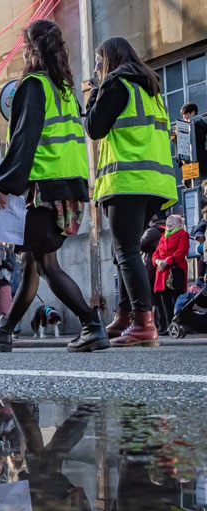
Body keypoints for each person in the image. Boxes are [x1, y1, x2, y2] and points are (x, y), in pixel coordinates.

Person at [0, 19, 108, 353]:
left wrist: (4, 184)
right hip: (69, 189)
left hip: (45, 190)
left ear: (30, 49)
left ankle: (91, 325)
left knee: (46, 264)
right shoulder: (65, 90)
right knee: (31, 262)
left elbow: (24, 140)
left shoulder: (33, 85)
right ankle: (4, 330)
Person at [85, 36, 178, 347]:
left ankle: (143, 322)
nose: (97, 69)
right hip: (154, 183)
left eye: (99, 63)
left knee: (125, 251)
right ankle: (126, 315)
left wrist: (94, 92)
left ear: (111, 60)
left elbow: (94, 128)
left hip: (127, 180)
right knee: (124, 251)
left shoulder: (115, 84)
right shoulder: (150, 89)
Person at [152, 214, 189, 333]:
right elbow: (155, 254)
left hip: (175, 270)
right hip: (162, 272)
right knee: (164, 300)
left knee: (176, 299)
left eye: (171, 220)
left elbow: (182, 251)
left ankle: (177, 326)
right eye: (167, 220)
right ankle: (168, 327)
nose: (168, 222)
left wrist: (167, 261)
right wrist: (157, 261)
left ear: (179, 223)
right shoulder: (163, 237)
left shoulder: (183, 234)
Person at [141, 215, 168, 332]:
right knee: (161, 298)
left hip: (150, 267)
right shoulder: (165, 230)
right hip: (159, 267)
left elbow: (139, 245)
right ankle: (163, 324)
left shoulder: (152, 231)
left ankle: (156, 324)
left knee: (152, 299)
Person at [181, 102, 207, 178]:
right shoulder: (194, 125)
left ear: (193, 113)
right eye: (183, 115)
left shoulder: (199, 125)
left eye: (186, 114)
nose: (184, 117)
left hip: (199, 159)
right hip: (191, 160)